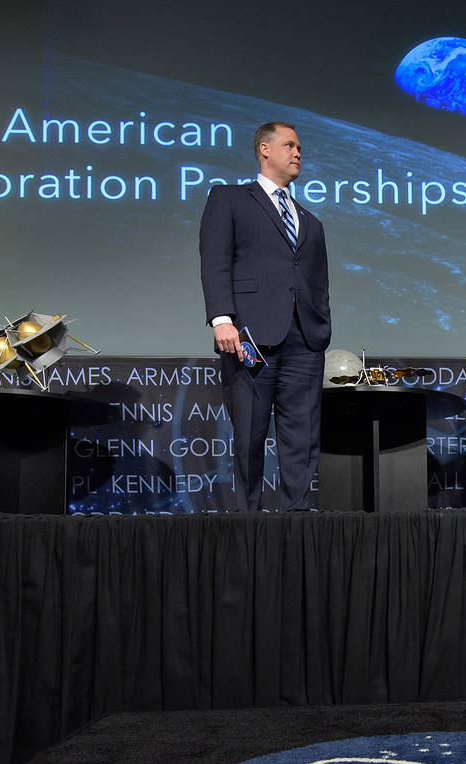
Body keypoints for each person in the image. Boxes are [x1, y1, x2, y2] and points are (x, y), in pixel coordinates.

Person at [200, 122, 331, 511]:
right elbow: (215, 260)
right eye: (290, 145)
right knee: (250, 437)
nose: (298, 154)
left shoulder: (310, 220)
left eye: (300, 148)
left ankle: (298, 523)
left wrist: (320, 324)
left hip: (304, 342)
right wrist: (221, 318)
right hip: (250, 339)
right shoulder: (229, 199)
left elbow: (317, 282)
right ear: (264, 149)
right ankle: (249, 527)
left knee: (301, 439)